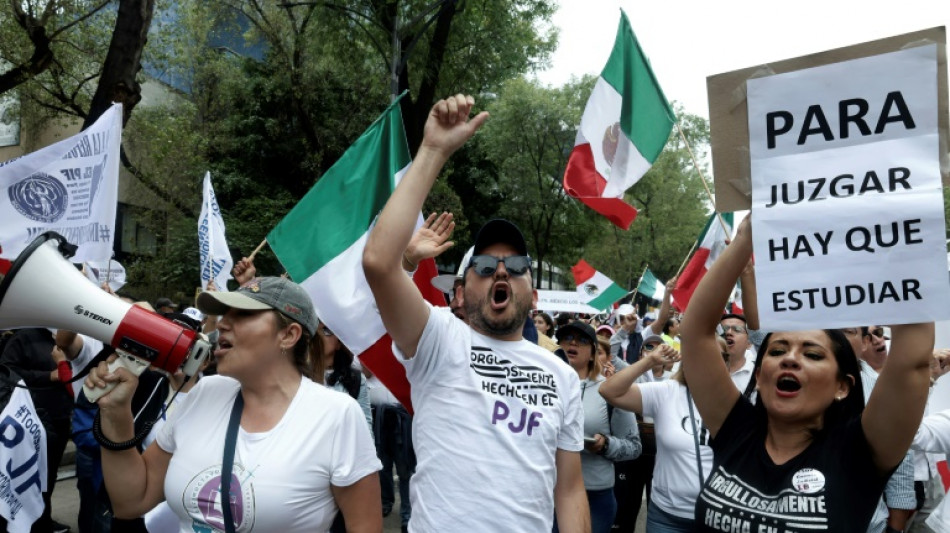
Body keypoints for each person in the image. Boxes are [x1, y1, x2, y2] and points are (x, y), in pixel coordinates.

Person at [363, 94, 588, 532]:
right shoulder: (438, 337)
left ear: (533, 295)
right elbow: (377, 263)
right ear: (461, 294)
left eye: (516, 266)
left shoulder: (561, 376)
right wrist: (433, 151)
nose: (501, 270)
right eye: (484, 267)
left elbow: (569, 487)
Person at [680, 215, 935, 532]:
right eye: (776, 350)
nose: (790, 358)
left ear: (843, 386)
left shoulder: (860, 452)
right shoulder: (736, 429)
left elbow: (912, 357)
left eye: (812, 354)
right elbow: (695, 333)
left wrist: (891, 222)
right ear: (759, 376)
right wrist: (746, 238)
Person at [86, 276, 382, 532]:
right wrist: (115, 412)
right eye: (225, 314)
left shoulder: (336, 414)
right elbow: (131, 502)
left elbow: (364, 527)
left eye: (242, 314)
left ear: (288, 335)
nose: (223, 323)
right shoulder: (205, 392)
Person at [601, 337, 729, 532]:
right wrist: (650, 360)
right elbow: (609, 391)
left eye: (716, 356)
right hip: (668, 517)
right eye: (698, 354)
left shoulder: (733, 399)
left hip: (718, 514)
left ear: (726, 362)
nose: (706, 361)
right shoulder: (667, 392)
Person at [555, 321, 640, 533]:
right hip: (546, 491)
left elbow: (634, 446)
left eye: (582, 340)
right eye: (566, 338)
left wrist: (605, 445)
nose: (572, 342)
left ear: (593, 354)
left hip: (594, 494)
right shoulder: (542, 385)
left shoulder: (609, 389)